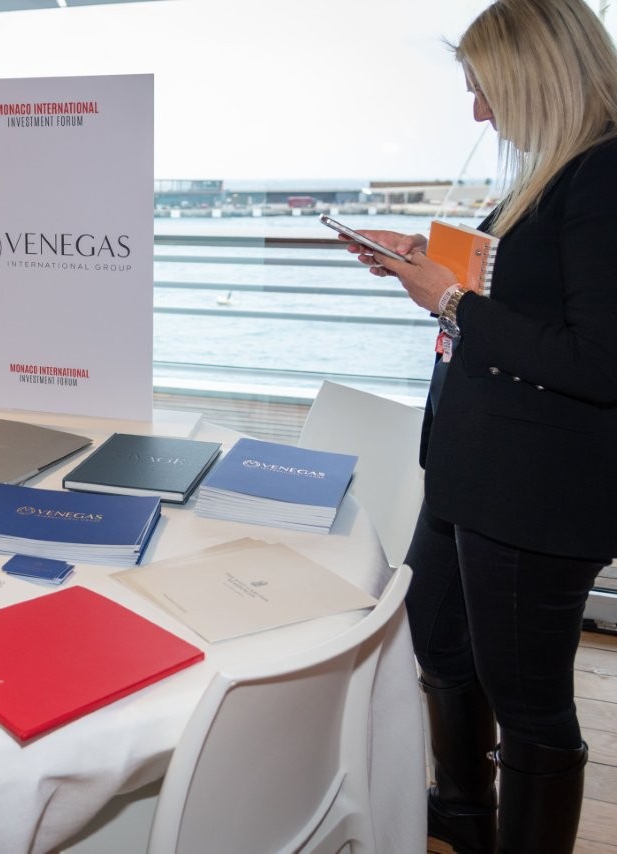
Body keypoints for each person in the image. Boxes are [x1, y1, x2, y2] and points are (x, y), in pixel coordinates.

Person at [342, 1, 617, 850]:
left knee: (530, 702)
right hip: (475, 471)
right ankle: (462, 813)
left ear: (540, 75)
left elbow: (599, 360)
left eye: (485, 90)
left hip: (537, 491)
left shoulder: (603, 176)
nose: (478, 112)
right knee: (440, 641)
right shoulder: (558, 172)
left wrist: (451, 299)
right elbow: (529, 295)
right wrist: (423, 263)